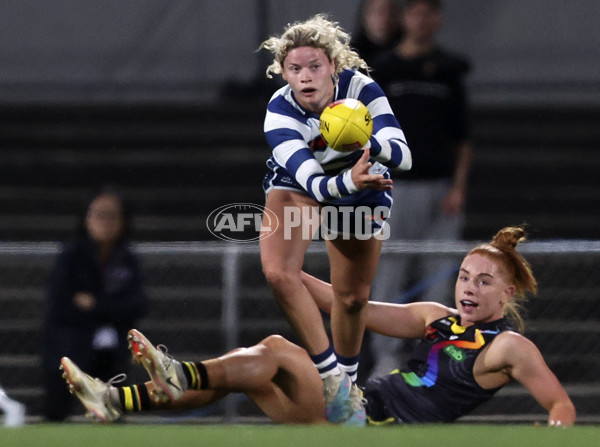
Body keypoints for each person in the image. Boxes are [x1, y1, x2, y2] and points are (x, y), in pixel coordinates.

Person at [60, 227, 576, 427]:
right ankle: (114, 401)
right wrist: (288, 268)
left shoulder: (509, 345)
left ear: (507, 294)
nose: (468, 287)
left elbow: (560, 404)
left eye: (484, 282)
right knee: (256, 369)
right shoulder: (435, 319)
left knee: (280, 350)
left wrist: (556, 430)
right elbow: (347, 303)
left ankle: (179, 372)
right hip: (359, 408)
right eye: (464, 275)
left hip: (379, 428)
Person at [257, 13, 412, 423]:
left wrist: (366, 140)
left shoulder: (362, 89)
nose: (305, 76)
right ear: (284, 73)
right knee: (278, 272)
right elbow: (314, 185)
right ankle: (332, 380)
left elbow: (404, 154)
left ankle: (349, 382)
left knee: (352, 297)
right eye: (294, 69)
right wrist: (347, 178)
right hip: (301, 182)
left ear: (333, 67)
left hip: (364, 186)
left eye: (314, 66)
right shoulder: (280, 112)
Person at [366, 0, 474, 376]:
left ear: (438, 19)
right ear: (404, 18)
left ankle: (435, 360)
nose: (422, 19)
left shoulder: (449, 70)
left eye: (430, 12)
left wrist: (458, 187)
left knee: (442, 276)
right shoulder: (383, 70)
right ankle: (386, 359)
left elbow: (462, 138)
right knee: (389, 272)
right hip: (396, 188)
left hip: (441, 188)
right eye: (415, 11)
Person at [42, 186, 148, 421]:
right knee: (57, 407)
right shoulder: (70, 257)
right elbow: (61, 306)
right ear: (86, 218)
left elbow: (138, 304)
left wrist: (96, 305)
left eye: (112, 216)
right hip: (72, 343)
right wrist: (109, 309)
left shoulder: (127, 259)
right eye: (99, 214)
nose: (105, 222)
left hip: (114, 344)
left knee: (112, 401)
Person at [351, 0, 403, 67]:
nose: (385, 19)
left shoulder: (407, 54)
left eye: (392, 12)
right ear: (365, 15)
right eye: (379, 12)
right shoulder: (350, 55)